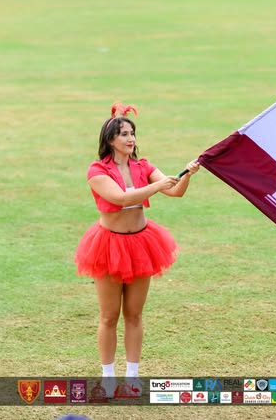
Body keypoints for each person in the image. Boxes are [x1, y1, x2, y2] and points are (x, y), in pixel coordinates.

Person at [74, 101, 200, 392]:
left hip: (141, 244)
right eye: (124, 134)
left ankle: (132, 377)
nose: (130, 139)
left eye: (132, 133)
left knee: (134, 314)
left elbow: (176, 191)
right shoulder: (97, 171)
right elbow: (118, 198)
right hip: (108, 245)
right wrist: (158, 186)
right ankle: (108, 378)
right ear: (110, 140)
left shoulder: (143, 166)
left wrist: (187, 175)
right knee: (108, 316)